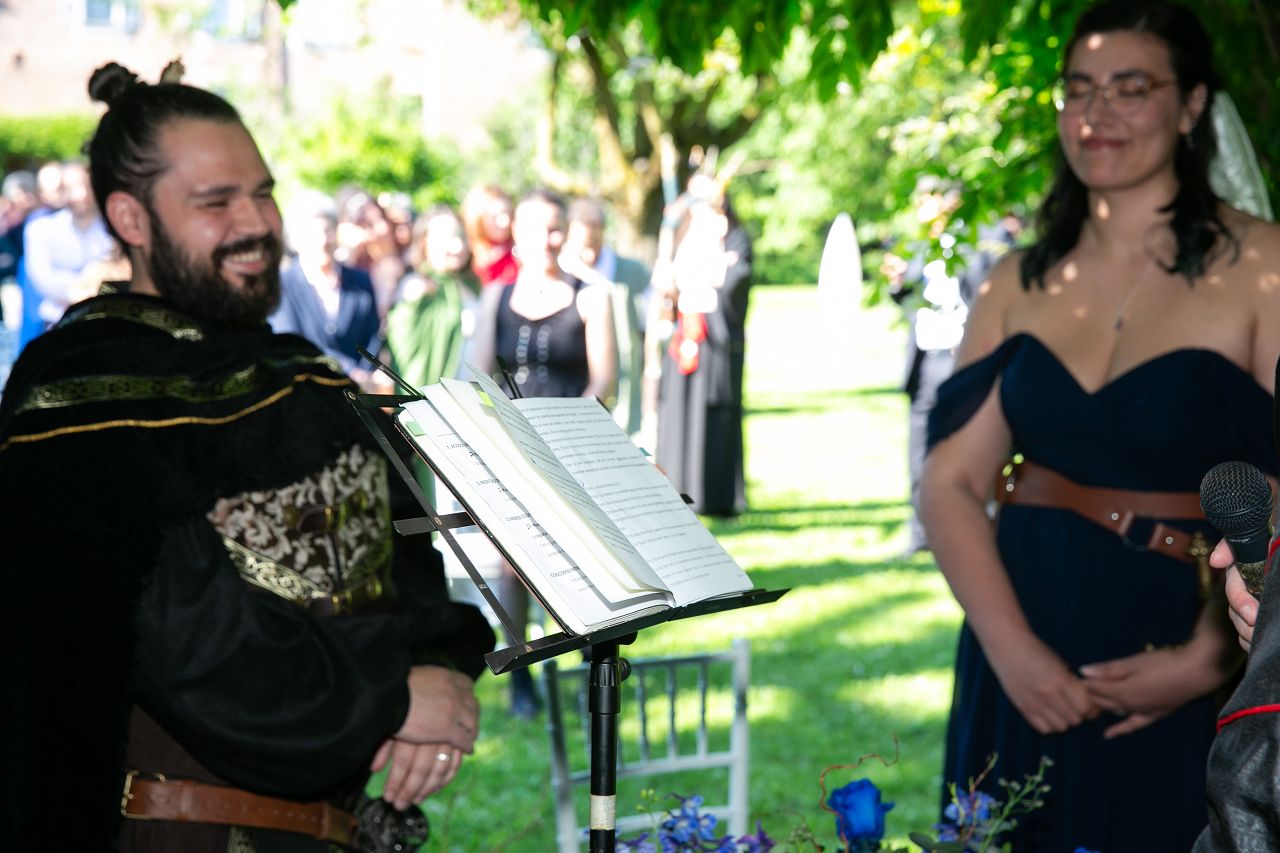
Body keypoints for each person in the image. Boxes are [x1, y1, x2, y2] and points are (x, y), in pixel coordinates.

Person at [0, 61, 495, 850]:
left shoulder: (297, 374)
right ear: (131, 217)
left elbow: (401, 543)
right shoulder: (84, 396)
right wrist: (396, 700)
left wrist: (440, 664)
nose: (256, 222)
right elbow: (199, 649)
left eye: (262, 193)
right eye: (216, 201)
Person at [919, 2, 1280, 850]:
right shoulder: (1014, 280)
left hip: (1189, 643)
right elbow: (951, 481)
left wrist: (1204, 661)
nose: (1096, 112)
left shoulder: (1263, 266)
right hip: (1020, 637)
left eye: (1130, 87)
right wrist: (1012, 652)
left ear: (1191, 105)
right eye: (1079, 89)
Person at [471, 187, 616, 717]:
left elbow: (604, 382)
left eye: (556, 228)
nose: (548, 239)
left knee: (579, 563)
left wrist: (561, 440)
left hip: (573, 447)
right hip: (511, 449)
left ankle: (588, 667)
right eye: (536, 228)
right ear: (518, 233)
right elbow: (478, 375)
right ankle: (521, 677)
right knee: (513, 564)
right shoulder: (496, 296)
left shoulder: (592, 295)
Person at [652, 173, 752, 517]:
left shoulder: (734, 236)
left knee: (713, 411)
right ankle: (675, 486)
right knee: (677, 410)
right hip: (684, 335)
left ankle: (714, 495)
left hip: (714, 340)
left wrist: (709, 273)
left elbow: (733, 282)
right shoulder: (680, 233)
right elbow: (669, 284)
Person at [269, 190, 385, 390]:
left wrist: (365, 376)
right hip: (305, 392)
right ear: (294, 239)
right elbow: (290, 342)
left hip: (359, 395)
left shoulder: (360, 281)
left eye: (328, 230)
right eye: (312, 233)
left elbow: (372, 338)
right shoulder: (282, 285)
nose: (323, 240)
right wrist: (349, 371)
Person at [561, 196, 651, 438]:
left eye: (595, 243)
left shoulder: (632, 272)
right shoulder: (562, 278)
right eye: (582, 245)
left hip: (625, 388)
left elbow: (650, 326)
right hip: (576, 392)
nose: (589, 254)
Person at [20, 160, 118, 333]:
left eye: (86, 185)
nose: (81, 195)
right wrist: (90, 286)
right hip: (57, 323)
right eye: (71, 187)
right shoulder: (40, 229)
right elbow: (44, 279)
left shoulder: (115, 228)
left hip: (106, 322)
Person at [462, 183, 517, 287]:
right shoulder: (467, 260)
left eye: (508, 213)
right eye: (495, 217)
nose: (505, 222)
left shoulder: (519, 248)